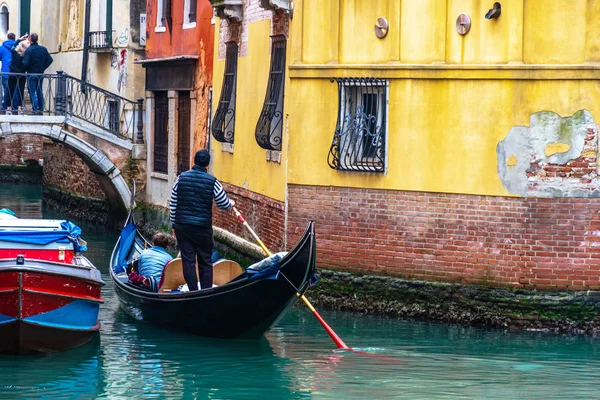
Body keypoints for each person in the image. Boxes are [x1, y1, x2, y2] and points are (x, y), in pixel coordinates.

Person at [169, 149, 234, 291]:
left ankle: (193, 291)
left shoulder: (181, 178)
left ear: (194, 161)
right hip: (202, 228)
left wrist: (173, 224)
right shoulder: (213, 182)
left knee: (188, 261)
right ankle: (205, 292)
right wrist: (231, 204)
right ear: (207, 165)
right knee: (205, 261)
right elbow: (223, 203)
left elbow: (173, 203)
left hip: (183, 226)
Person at [23, 33, 53, 114]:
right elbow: (50, 60)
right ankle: (41, 109)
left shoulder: (29, 50)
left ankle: (35, 109)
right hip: (40, 73)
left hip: (31, 73)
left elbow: (25, 63)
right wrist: (43, 68)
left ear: (30, 40)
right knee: (39, 91)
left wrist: (26, 69)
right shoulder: (43, 49)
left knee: (32, 92)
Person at [8, 35, 30, 113]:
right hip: (21, 75)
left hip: (12, 74)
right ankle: (20, 107)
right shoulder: (26, 56)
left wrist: (19, 39)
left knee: (10, 90)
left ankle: (8, 107)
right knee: (20, 91)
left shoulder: (14, 52)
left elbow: (13, 47)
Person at [0, 33, 17, 111]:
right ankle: (14, 106)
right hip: (16, 72)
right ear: (14, 38)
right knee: (16, 89)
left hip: (5, 71)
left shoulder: (2, 47)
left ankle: (5, 106)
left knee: (6, 89)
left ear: (7, 38)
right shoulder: (18, 46)